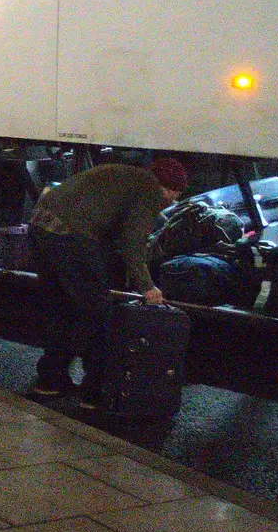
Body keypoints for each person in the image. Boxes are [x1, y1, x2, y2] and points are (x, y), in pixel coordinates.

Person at [27, 157, 189, 400]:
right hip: (71, 237)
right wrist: (148, 287)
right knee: (97, 314)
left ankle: (50, 380)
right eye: (174, 194)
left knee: (61, 309)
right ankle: (95, 392)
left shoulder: (122, 173)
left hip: (39, 227)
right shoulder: (150, 190)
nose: (171, 201)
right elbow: (132, 243)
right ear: (168, 188)